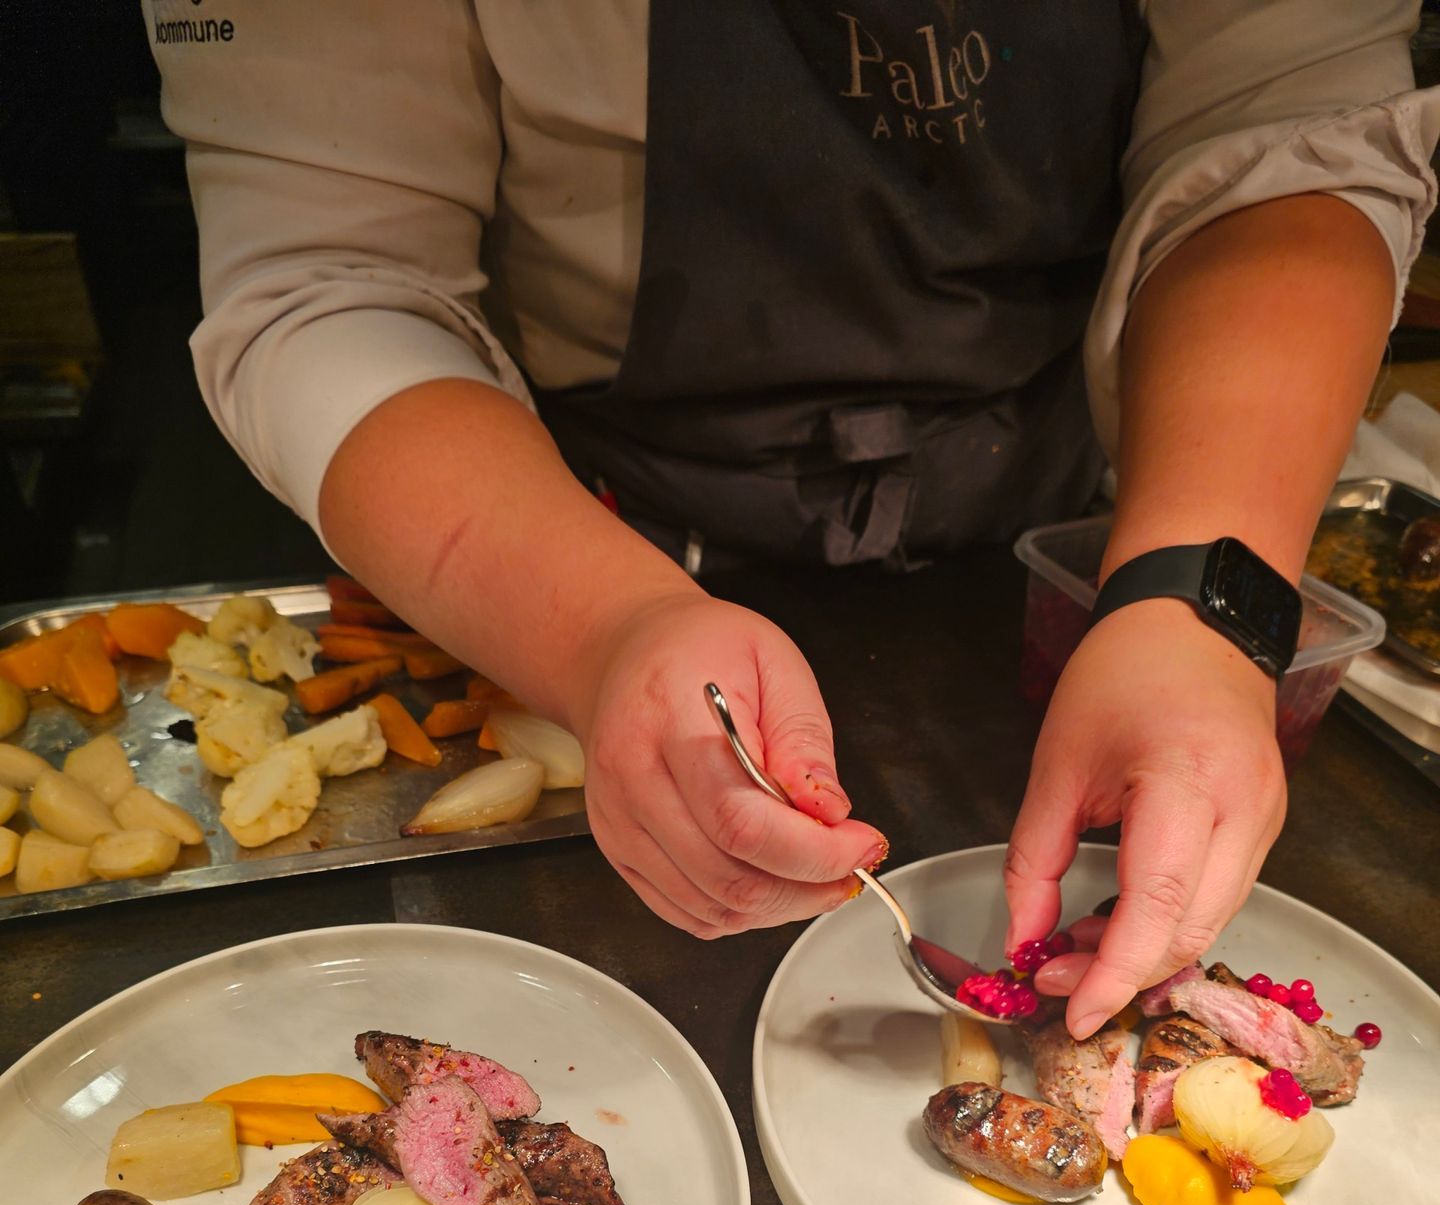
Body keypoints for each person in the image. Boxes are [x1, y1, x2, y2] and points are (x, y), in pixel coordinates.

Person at [147, 2, 1437, 1033]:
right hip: (572, 534)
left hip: (1065, 535)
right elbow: (334, 281)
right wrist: (609, 629)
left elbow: (1284, 136)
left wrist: (1197, 600)